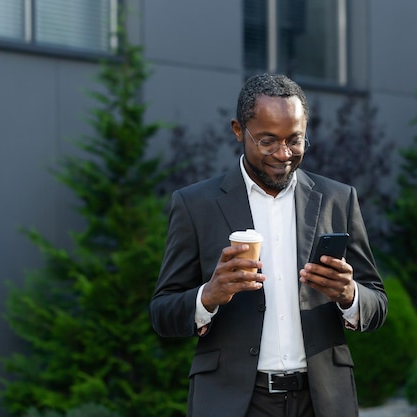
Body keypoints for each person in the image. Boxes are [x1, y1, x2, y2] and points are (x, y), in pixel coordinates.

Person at [150, 73, 388, 417]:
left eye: (295, 140)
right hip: (233, 403)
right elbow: (162, 314)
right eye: (267, 141)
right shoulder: (195, 205)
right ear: (237, 130)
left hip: (322, 401)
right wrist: (209, 296)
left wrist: (349, 295)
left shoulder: (339, 199)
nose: (283, 153)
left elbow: (377, 303)